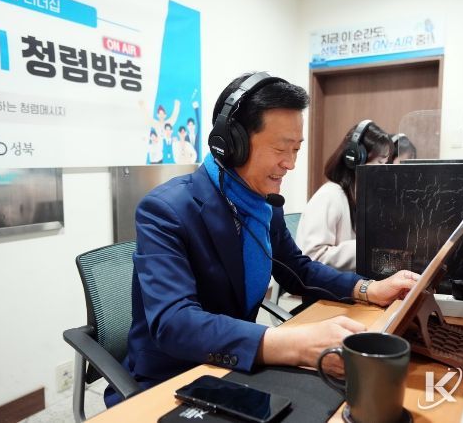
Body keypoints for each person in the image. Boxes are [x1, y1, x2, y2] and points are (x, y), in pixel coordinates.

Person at [106, 72, 418, 407]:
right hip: (172, 378)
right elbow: (175, 324)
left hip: (234, 369)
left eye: (296, 149)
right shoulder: (166, 210)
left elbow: (298, 270)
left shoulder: (263, 205)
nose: (291, 163)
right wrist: (292, 344)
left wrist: (368, 289)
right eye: (281, 149)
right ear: (231, 143)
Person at [296, 120, 394, 271]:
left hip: (347, 281)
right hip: (321, 284)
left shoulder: (359, 197)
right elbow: (313, 257)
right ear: (356, 158)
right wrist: (367, 247)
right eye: (380, 162)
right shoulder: (329, 196)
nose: (384, 171)